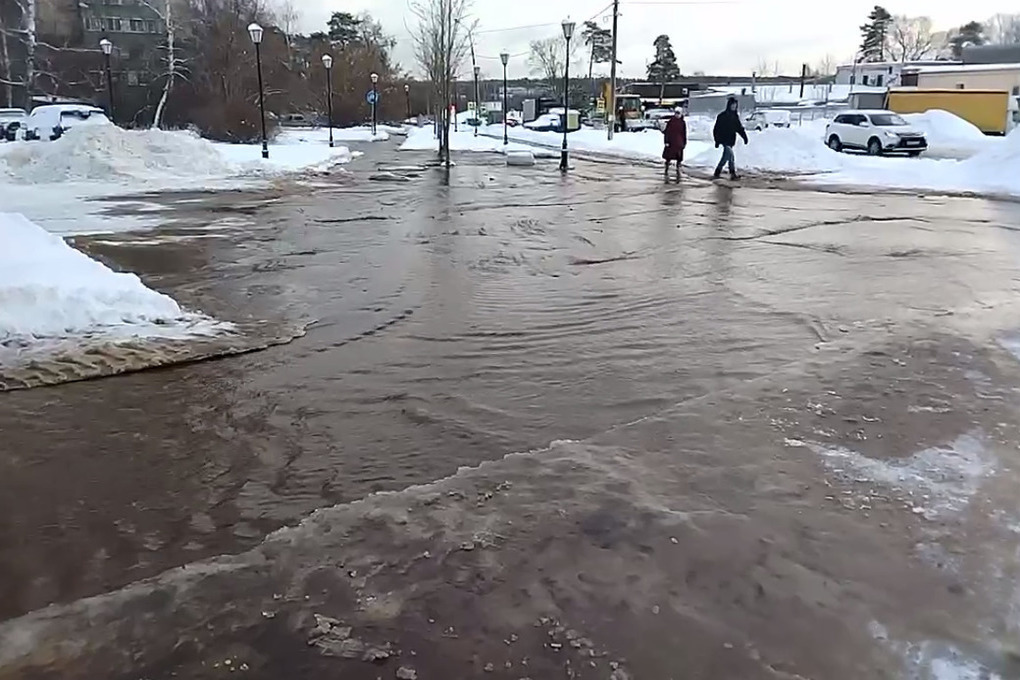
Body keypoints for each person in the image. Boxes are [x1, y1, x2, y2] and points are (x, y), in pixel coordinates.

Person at [712, 96, 749, 180]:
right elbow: (716, 129)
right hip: (724, 140)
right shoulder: (722, 116)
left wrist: (744, 137)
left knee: (725, 157)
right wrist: (717, 140)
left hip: (731, 140)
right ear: (729, 105)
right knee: (731, 156)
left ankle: (717, 171)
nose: (734, 107)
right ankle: (732, 173)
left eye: (735, 105)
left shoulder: (735, 116)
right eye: (732, 105)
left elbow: (739, 128)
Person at [662, 107, 687, 182]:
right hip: (671, 141)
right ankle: (667, 167)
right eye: (676, 113)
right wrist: (666, 141)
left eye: (678, 113)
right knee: (669, 156)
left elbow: (684, 133)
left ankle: (678, 167)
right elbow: (667, 132)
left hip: (679, 142)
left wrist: (684, 142)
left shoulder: (682, 122)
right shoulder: (671, 121)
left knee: (679, 156)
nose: (677, 115)